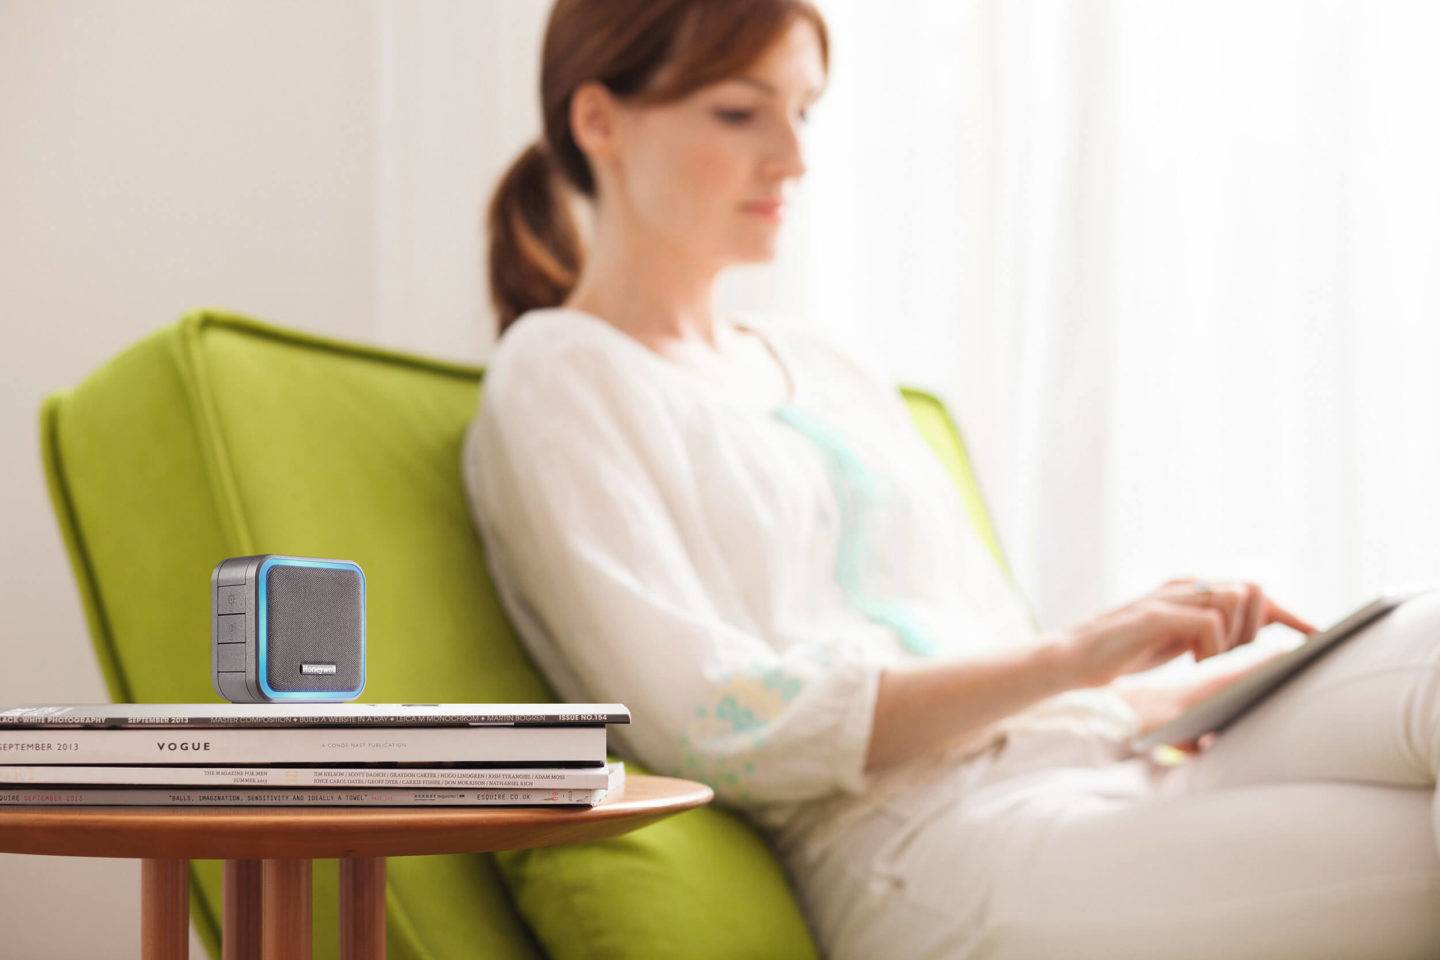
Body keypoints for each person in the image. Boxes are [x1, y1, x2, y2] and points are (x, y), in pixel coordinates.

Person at [461, 2, 1440, 957]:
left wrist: (1226, 689)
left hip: (1101, 759)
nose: (793, 158)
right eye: (738, 111)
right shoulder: (560, 373)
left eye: (803, 111)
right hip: (923, 849)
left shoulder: (829, 367)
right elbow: (715, 722)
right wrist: (1081, 652)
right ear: (599, 121)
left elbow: (988, 654)